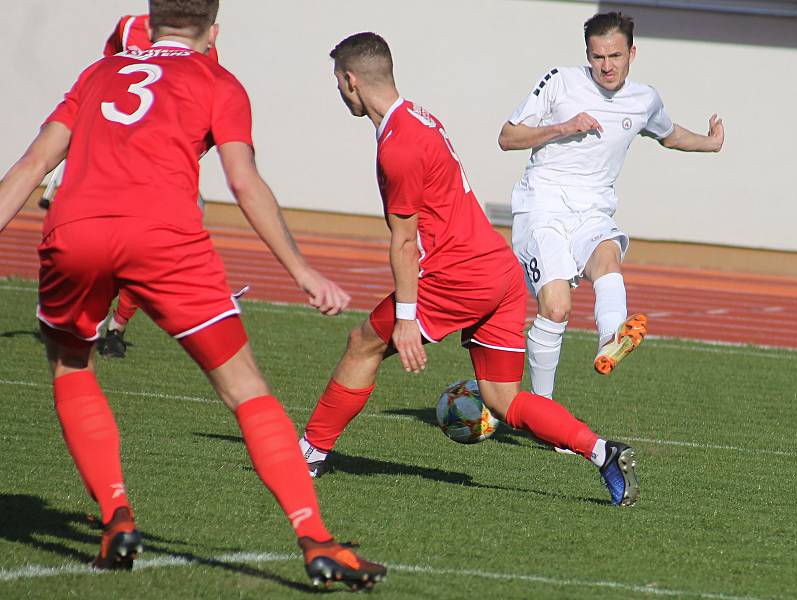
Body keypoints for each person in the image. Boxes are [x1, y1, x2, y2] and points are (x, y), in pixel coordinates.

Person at [0, 0, 386, 588]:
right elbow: (243, 181)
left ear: (148, 22)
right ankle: (315, 539)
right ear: (214, 29)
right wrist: (303, 270)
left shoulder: (99, 73)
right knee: (246, 388)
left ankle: (116, 516)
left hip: (75, 231)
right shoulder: (218, 79)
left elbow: (30, 167)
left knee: (72, 366)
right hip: (164, 238)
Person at [297, 32, 640, 508]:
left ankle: (308, 453)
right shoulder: (419, 116)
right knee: (502, 400)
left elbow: (403, 241)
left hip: (458, 276)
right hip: (498, 271)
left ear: (350, 80)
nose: (338, 92)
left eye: (337, 82)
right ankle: (603, 452)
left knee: (362, 344)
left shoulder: (398, 145)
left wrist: (406, 318)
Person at [499, 11, 724, 399]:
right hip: (543, 205)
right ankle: (542, 408)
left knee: (608, 257)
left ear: (632, 54)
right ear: (588, 55)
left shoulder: (644, 99)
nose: (606, 66)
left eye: (615, 57)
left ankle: (611, 339)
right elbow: (507, 137)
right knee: (555, 309)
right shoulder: (560, 81)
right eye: (598, 57)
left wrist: (711, 142)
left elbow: (667, 135)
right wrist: (563, 127)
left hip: (593, 210)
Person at [40, 13, 221, 358]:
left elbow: (206, 114)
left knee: (147, 250)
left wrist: (180, 159)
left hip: (157, 173)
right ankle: (86, 317)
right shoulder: (129, 26)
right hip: (110, 168)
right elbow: (106, 70)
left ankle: (116, 329)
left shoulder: (201, 45)